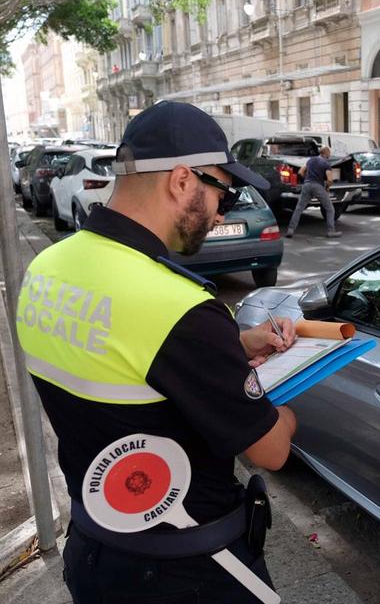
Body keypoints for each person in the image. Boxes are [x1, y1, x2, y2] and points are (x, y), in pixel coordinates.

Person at [16, 101, 299, 603]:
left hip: (94, 554)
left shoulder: (47, 268)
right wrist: (289, 412)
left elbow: (122, 356)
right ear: (183, 180)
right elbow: (270, 450)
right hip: (190, 569)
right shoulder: (180, 307)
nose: (221, 210)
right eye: (223, 191)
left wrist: (230, 347)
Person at [285, 144, 342, 238]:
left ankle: (290, 230)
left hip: (306, 185)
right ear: (326, 153)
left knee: (299, 209)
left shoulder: (311, 160)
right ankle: (331, 231)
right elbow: (330, 180)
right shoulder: (326, 164)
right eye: (329, 153)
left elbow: (300, 172)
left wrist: (307, 179)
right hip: (318, 186)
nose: (330, 155)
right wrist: (327, 188)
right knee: (330, 208)